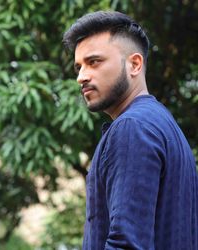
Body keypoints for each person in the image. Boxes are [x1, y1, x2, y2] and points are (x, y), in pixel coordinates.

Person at [63, 11, 198, 250]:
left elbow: (126, 244)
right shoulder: (162, 125)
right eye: (78, 67)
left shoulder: (132, 127)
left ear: (134, 64)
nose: (81, 77)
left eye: (94, 62)